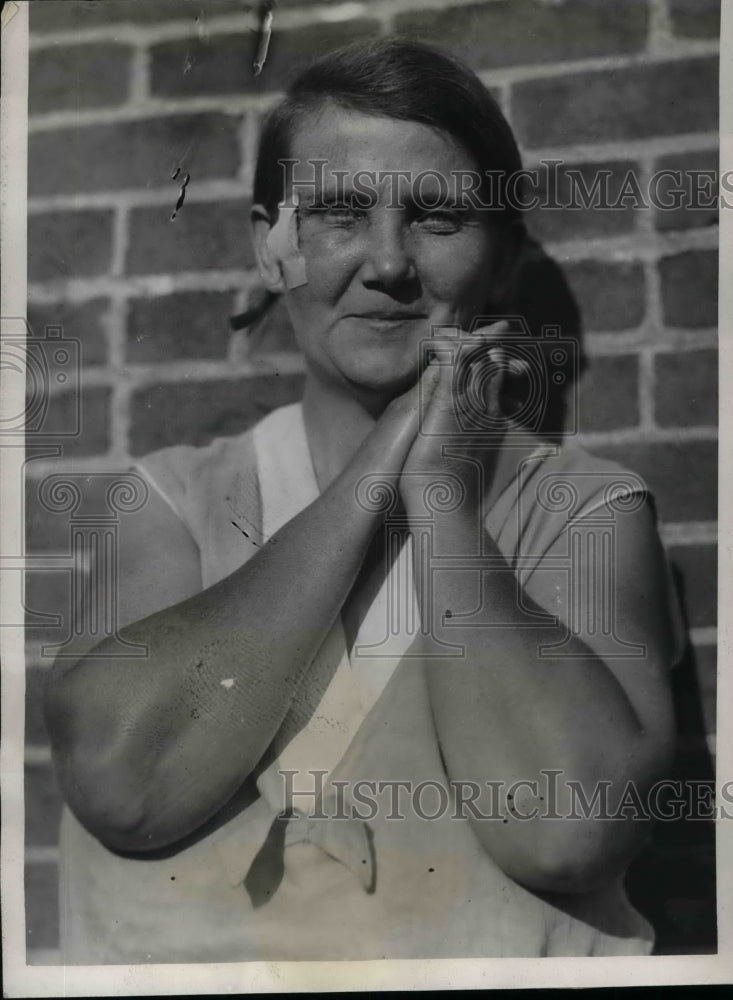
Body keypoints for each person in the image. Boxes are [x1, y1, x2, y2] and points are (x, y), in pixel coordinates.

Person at [44, 38, 686, 963]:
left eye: (436, 218)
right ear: (272, 251)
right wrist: (383, 463)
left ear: (500, 256)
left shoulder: (585, 511)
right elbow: (122, 788)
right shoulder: (166, 501)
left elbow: (567, 829)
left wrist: (441, 499)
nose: (388, 263)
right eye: (339, 214)